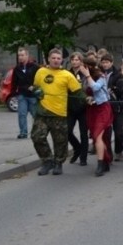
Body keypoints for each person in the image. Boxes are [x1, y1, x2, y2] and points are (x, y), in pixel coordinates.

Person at [31, 47, 84, 175]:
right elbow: (36, 87)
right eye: (53, 58)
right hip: (42, 112)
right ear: (48, 59)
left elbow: (78, 92)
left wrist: (87, 99)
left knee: (60, 141)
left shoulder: (67, 75)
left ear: (62, 60)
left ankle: (58, 163)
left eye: (58, 58)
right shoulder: (40, 72)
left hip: (59, 113)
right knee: (37, 137)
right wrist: (35, 92)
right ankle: (47, 161)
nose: (56, 60)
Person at [80, 56, 114, 176]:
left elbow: (95, 87)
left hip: (102, 108)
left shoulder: (101, 76)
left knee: (97, 135)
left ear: (88, 67)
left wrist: (88, 75)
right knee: (95, 137)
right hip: (91, 109)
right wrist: (87, 98)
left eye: (83, 66)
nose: (81, 68)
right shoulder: (84, 78)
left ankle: (100, 164)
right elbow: (83, 91)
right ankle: (106, 160)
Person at [66, 52, 89, 166]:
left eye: (77, 60)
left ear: (81, 61)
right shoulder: (67, 73)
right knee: (67, 131)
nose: (75, 62)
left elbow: (87, 87)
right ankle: (77, 148)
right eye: (73, 60)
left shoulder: (84, 72)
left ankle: (83, 157)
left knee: (84, 133)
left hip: (83, 107)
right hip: (70, 106)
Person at [12, 46, 39, 138]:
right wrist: (14, 94)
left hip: (32, 95)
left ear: (27, 56)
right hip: (22, 94)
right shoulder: (16, 69)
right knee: (21, 114)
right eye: (19, 55)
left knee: (35, 114)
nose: (20, 57)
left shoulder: (34, 67)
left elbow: (39, 79)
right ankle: (23, 132)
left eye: (22, 55)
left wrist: (35, 87)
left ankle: (36, 132)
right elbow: (14, 82)